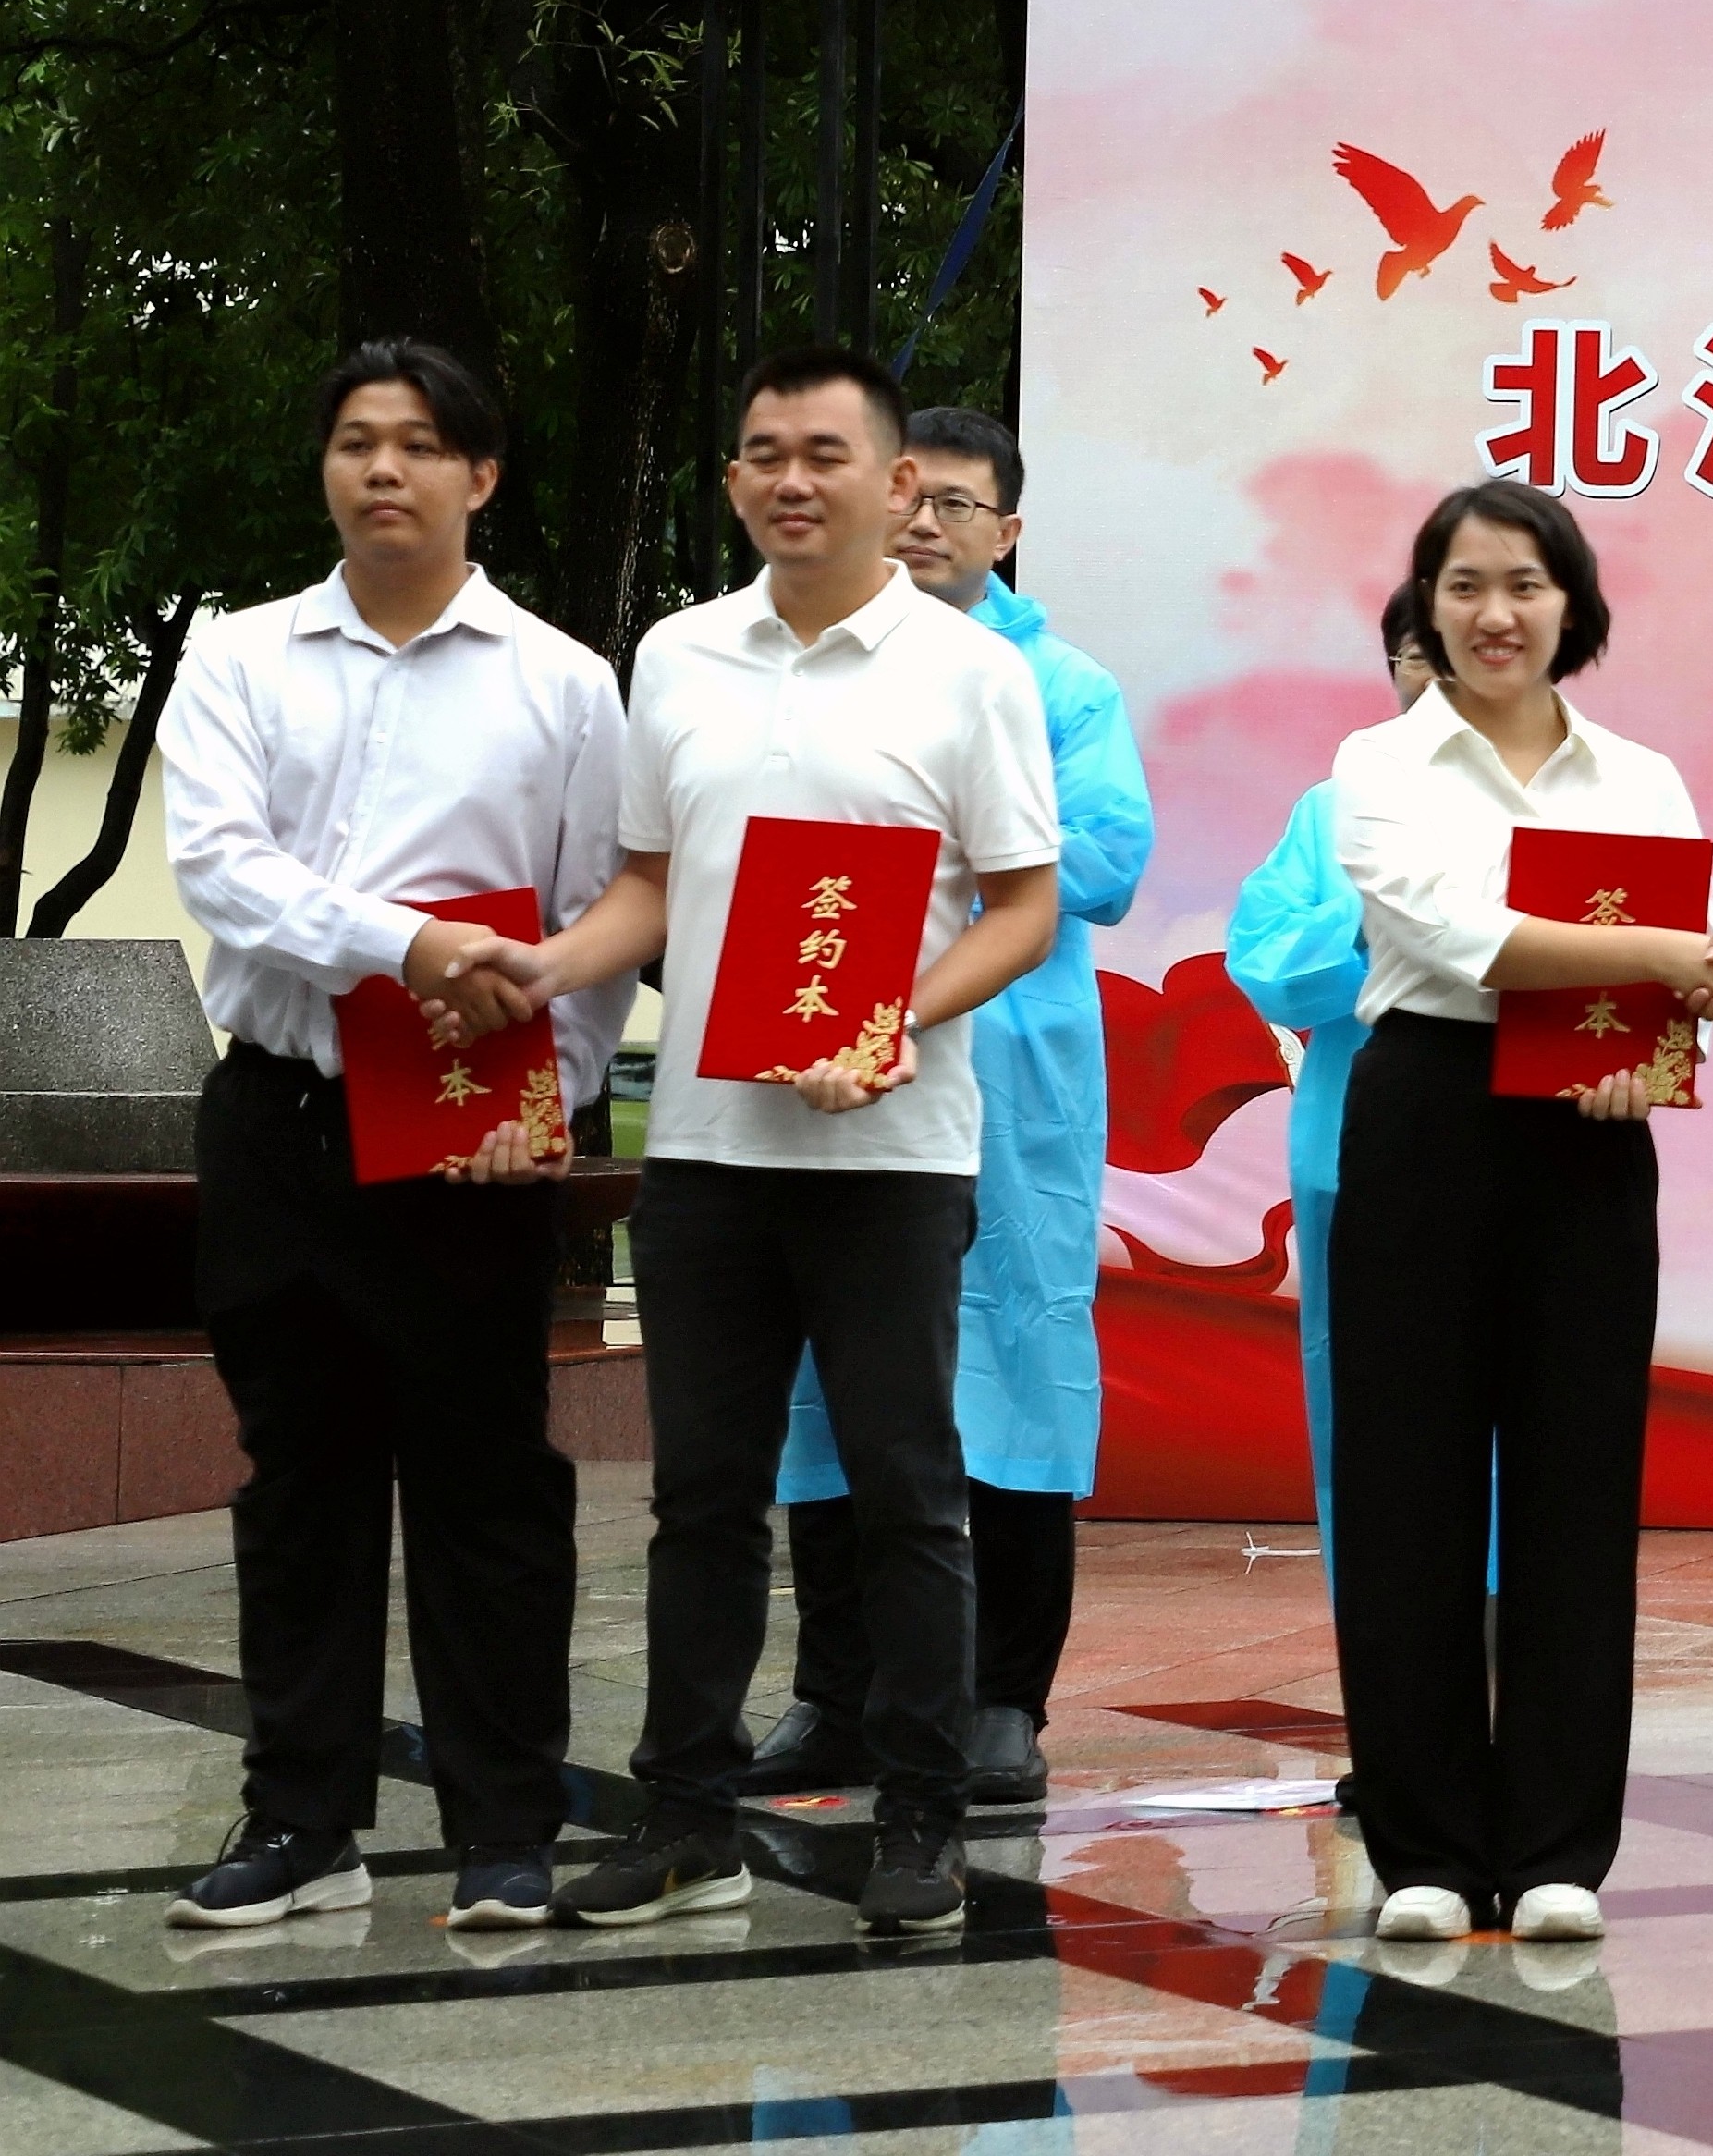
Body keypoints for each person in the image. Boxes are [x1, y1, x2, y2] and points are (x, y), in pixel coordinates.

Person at [505, 345, 1067, 1935]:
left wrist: (895, 1016)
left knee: (907, 1488)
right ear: (735, 481)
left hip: (893, 1157)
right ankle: (684, 1812)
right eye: (764, 453)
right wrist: (549, 966)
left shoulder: (971, 672)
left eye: (825, 452)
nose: (791, 479)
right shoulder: (679, 653)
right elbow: (647, 882)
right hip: (706, 1149)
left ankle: (922, 1817)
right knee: (702, 1494)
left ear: (899, 483)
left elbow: (1022, 905)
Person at [152, 341, 627, 1933]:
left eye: (420, 443)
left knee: (488, 1482)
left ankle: (506, 1824)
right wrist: (408, 943)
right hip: (280, 1110)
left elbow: (591, 917)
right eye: (356, 440)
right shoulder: (241, 658)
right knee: (299, 1476)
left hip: (469, 1132)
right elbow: (222, 871)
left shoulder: (561, 681)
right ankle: (302, 1816)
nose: (383, 469)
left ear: (479, 475)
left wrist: (546, 1101)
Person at [1325, 481, 1713, 1946]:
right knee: (1407, 1483)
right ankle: (1425, 1850)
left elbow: (1670, 991)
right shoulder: (1380, 760)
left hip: (1588, 1137)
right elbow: (1448, 929)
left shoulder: (1638, 776)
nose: (1494, 613)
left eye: (1523, 583)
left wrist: (1658, 1048)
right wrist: (1665, 959)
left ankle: (1560, 1844)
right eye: (1463, 585)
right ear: (1426, 605)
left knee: (1578, 1482)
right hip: (1425, 1111)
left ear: (1571, 603)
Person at [740, 406, 1152, 1814]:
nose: (926, 525)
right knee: (829, 1373)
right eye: (911, 497)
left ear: (1008, 530)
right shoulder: (814, 662)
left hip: (1009, 1075)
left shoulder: (1062, 686)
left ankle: (1001, 1699)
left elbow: (1105, 860)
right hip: (828, 1059)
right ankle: (834, 1691)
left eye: (959, 506)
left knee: (1018, 1370)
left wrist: (928, 848)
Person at [1227, 582, 1437, 1589]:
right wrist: (1365, 905)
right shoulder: (1332, 810)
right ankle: (1384, 1605)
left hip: (1513, 1132)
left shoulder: (1564, 799)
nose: (1437, 674)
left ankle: (1505, 1608)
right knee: (1364, 1373)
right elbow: (1266, 963)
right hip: (1356, 1128)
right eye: (1416, 653)